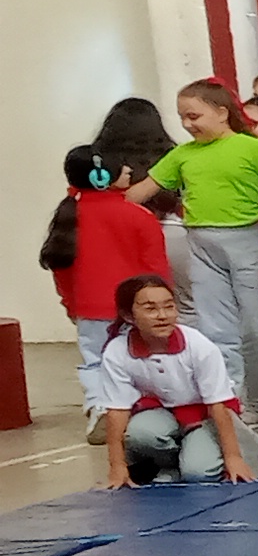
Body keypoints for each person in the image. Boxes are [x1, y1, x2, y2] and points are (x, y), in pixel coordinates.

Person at [136, 80, 258, 438]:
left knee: (257, 327)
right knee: (216, 329)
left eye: (194, 116)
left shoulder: (253, 149)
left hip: (248, 241)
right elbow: (140, 192)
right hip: (201, 243)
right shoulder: (183, 155)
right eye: (182, 117)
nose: (187, 124)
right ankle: (228, 401)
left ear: (221, 113)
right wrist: (94, 199)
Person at [94, 270, 256, 485]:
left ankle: (194, 455)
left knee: (198, 473)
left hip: (204, 417)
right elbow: (117, 410)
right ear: (128, 316)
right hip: (161, 414)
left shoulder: (198, 345)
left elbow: (218, 404)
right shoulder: (117, 351)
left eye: (169, 306)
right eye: (150, 309)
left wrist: (233, 457)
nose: (162, 316)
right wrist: (117, 466)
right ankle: (168, 464)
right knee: (141, 434)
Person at [47, 144, 161, 441]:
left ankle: (100, 407)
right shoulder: (138, 215)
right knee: (137, 360)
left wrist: (70, 304)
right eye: (121, 167)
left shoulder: (68, 216)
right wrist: (161, 306)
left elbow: (61, 269)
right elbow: (156, 268)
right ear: (102, 176)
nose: (129, 170)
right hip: (135, 307)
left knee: (95, 361)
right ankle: (135, 412)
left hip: (89, 308)